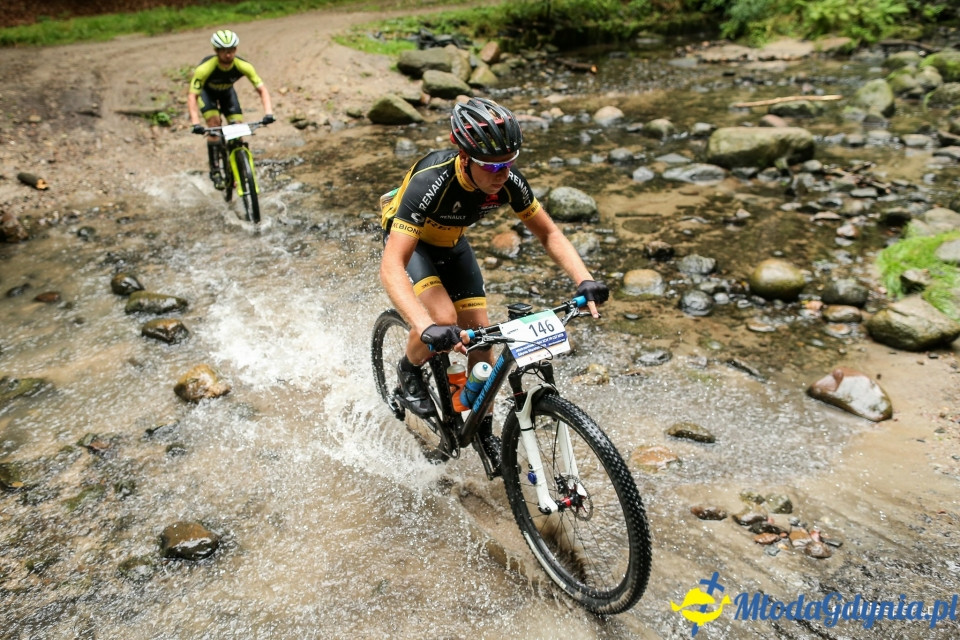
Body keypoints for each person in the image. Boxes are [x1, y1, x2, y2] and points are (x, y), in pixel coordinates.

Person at [378, 97, 609, 476]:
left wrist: (584, 279)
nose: (503, 172)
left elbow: (548, 232)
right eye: (494, 166)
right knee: (442, 315)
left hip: (453, 243)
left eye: (510, 162)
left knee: (482, 337)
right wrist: (425, 326)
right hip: (413, 243)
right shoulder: (431, 181)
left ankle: (481, 425)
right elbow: (391, 267)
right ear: (465, 157)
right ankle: (408, 369)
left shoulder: (508, 181)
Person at [187, 29, 274, 190]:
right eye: (224, 51)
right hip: (208, 95)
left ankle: (238, 169)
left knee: (238, 127)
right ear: (216, 51)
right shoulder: (205, 68)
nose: (228, 55)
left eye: (232, 50)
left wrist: (268, 113)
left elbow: (262, 89)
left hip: (227, 94)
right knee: (214, 125)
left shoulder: (243, 65)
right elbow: (192, 96)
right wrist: (195, 123)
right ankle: (215, 171)